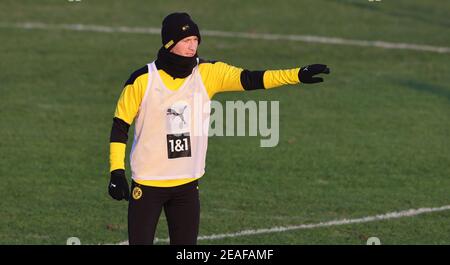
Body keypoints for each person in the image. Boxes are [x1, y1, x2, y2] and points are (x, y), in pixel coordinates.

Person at [108, 12, 330, 245]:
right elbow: (120, 126)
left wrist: (297, 75)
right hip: (148, 184)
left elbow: (253, 79)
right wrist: (117, 172)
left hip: (187, 185)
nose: (192, 46)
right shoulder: (142, 80)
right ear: (169, 43)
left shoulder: (208, 73)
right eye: (186, 41)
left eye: (195, 40)